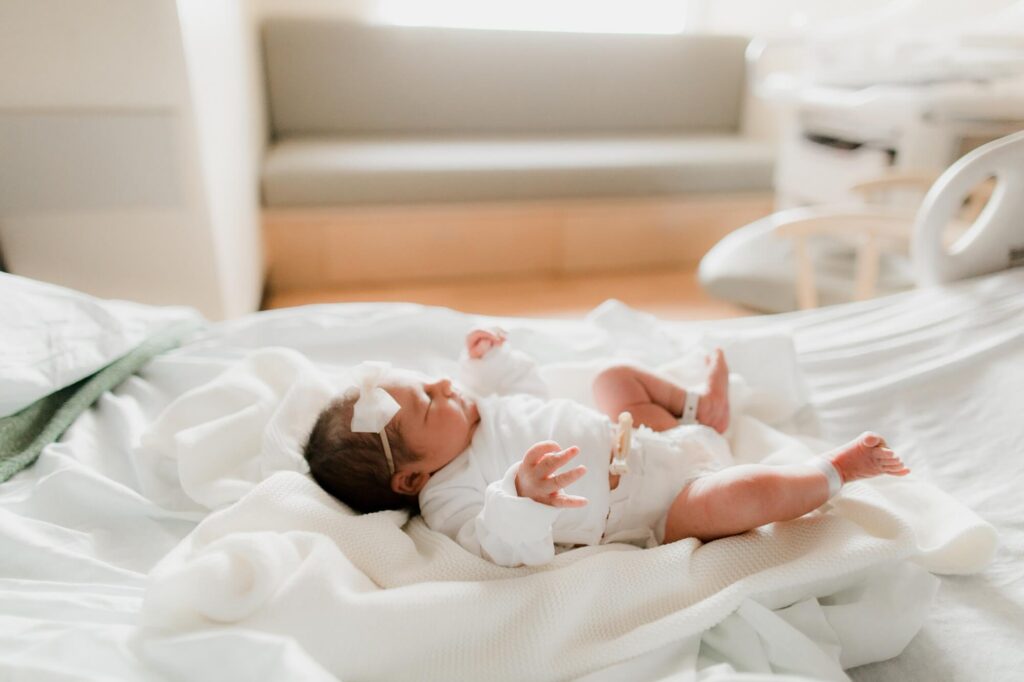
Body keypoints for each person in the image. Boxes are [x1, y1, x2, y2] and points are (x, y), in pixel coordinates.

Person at [304, 329, 909, 567]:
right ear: (410, 479)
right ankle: (833, 472)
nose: (444, 386)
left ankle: (704, 411)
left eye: (432, 380)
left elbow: (526, 386)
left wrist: (488, 362)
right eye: (431, 402)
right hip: (661, 506)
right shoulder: (452, 495)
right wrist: (523, 496)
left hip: (649, 434)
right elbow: (499, 545)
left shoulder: (483, 409)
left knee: (611, 379)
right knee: (744, 495)